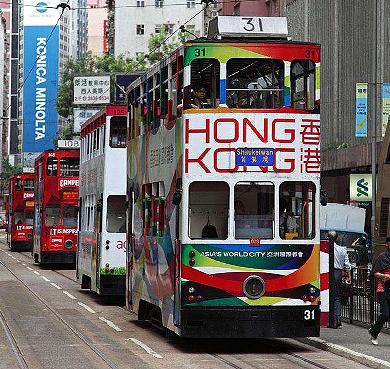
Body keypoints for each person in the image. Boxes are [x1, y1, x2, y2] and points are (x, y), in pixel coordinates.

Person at [369, 236, 390, 345]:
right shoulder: (382, 257)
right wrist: (385, 276)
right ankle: (374, 333)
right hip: (383, 288)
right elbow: (375, 273)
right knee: (385, 314)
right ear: (387, 244)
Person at [328, 230, 351, 328]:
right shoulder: (342, 250)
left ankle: (329, 319)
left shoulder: (324, 249)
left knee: (327, 296)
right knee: (336, 297)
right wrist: (349, 276)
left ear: (328, 238)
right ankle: (337, 319)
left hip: (327, 273)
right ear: (337, 238)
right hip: (338, 273)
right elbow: (347, 266)